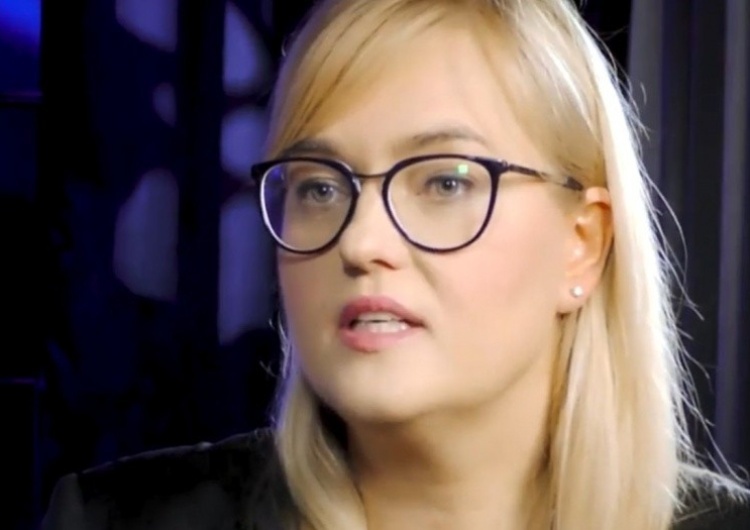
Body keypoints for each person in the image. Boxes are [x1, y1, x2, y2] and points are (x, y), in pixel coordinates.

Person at [42, 0, 750, 529]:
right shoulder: (111, 521)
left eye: (445, 182)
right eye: (321, 187)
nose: (360, 243)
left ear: (583, 243)